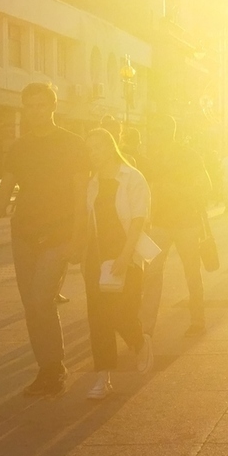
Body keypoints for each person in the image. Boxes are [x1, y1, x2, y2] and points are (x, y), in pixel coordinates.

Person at [0, 83, 90, 397]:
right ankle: (46, 368)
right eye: (30, 106)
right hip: (24, 232)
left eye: (41, 105)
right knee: (30, 306)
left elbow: (81, 196)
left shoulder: (72, 144)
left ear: (53, 106)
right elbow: (3, 195)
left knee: (41, 300)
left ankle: (55, 366)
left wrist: (78, 237)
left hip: (59, 234)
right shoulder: (19, 148)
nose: (35, 112)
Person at [82, 129, 153, 399]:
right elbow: (91, 221)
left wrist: (124, 256)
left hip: (127, 254)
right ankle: (102, 377)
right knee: (99, 318)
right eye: (89, 149)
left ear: (111, 147)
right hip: (98, 257)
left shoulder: (132, 177)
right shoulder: (93, 182)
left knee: (122, 314)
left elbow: (138, 219)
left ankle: (138, 341)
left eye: (98, 147)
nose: (94, 153)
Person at [139, 116, 211, 337]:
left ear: (172, 130)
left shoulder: (188, 156)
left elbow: (205, 186)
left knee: (189, 273)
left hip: (185, 224)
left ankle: (197, 320)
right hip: (160, 224)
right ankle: (146, 328)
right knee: (152, 274)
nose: (157, 134)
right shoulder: (151, 157)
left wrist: (176, 191)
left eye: (161, 129)